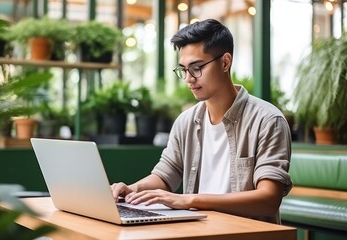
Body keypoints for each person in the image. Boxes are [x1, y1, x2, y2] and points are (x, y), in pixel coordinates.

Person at [111, 18, 292, 224]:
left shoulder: (267, 120)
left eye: (196, 67)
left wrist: (189, 200)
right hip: (197, 232)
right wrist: (132, 189)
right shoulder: (186, 122)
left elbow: (269, 199)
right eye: (184, 69)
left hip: (245, 233)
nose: (189, 78)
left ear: (225, 62)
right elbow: (165, 176)